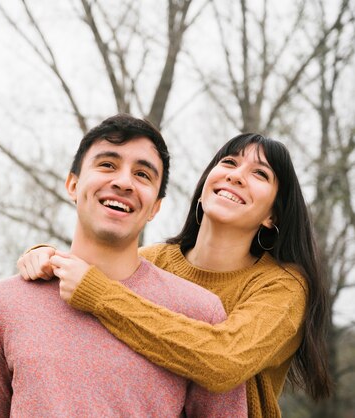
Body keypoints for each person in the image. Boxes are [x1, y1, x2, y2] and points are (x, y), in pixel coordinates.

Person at [18, 132, 333, 417]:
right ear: (205, 184)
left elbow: (224, 360)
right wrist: (46, 257)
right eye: (229, 162)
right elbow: (84, 277)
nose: (237, 176)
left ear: (272, 214)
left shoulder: (283, 287)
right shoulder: (153, 260)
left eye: (260, 174)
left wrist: (100, 294)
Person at [0, 114, 247, 417]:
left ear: (155, 206)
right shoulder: (5, 302)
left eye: (143, 175)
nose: (123, 182)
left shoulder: (200, 313)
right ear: (73, 184)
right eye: (107, 165)